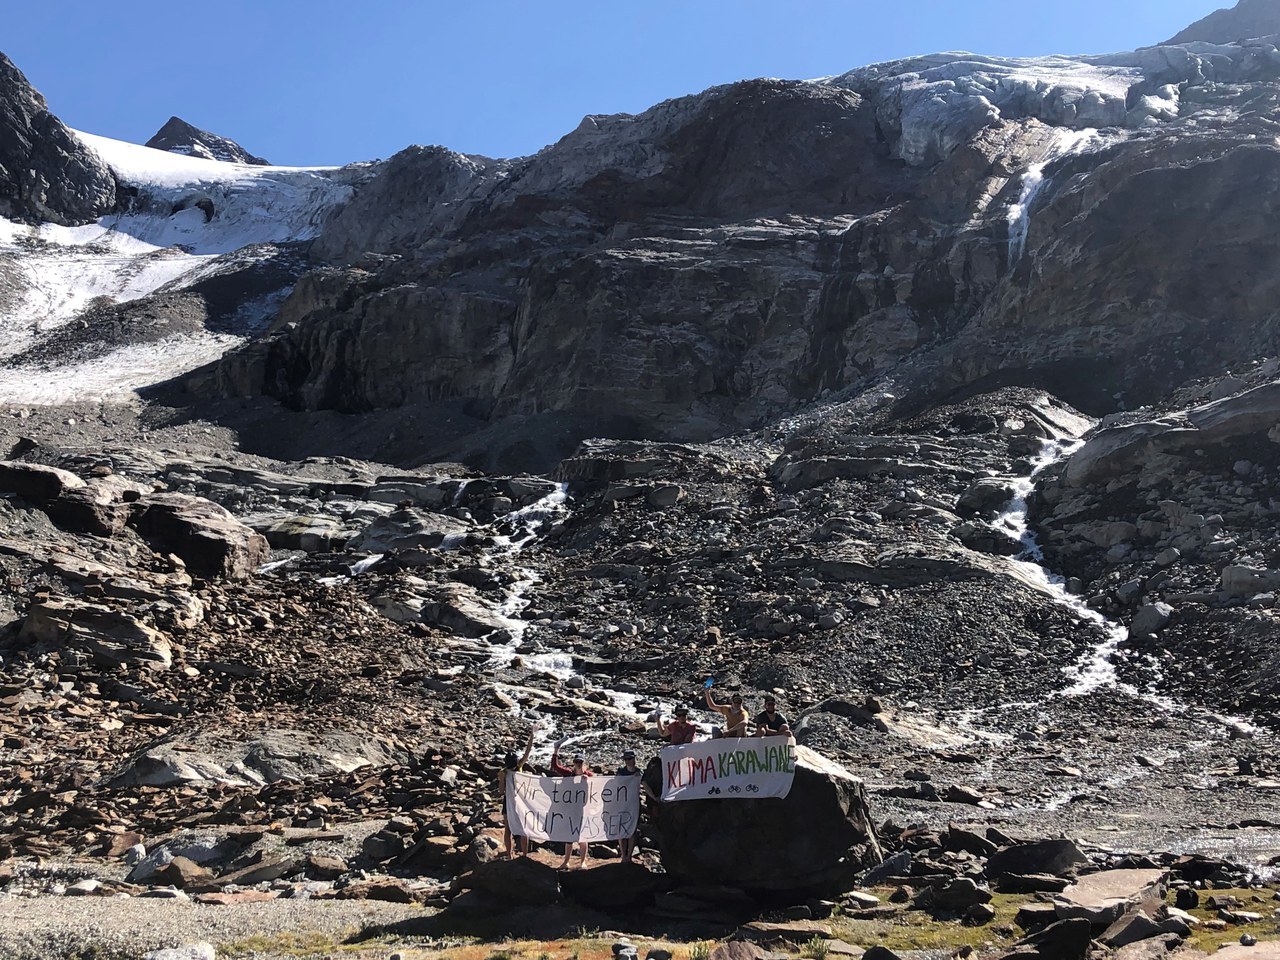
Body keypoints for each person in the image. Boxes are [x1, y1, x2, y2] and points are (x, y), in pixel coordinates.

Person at [550, 739, 593, 870]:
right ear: (574, 763)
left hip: (582, 810)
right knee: (569, 837)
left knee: (582, 837)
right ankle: (566, 862)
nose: (578, 764)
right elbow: (555, 766)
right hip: (569, 809)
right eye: (576, 762)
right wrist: (556, 750)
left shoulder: (588, 775)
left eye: (580, 762)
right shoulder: (568, 774)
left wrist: (589, 781)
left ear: (584, 764)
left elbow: (598, 784)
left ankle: (583, 862)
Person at [497, 729, 534, 858]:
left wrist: (502, 780)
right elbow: (527, 753)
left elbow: (501, 791)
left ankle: (511, 855)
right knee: (522, 828)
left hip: (509, 802)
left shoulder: (504, 772)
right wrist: (532, 736)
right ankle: (522, 855)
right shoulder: (517, 768)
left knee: (510, 829)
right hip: (517, 801)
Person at [614, 748, 642, 863]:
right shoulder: (621, 772)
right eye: (626, 759)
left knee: (632, 831)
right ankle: (623, 855)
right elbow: (615, 784)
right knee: (621, 831)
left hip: (633, 805)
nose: (628, 761)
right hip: (621, 805)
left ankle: (629, 855)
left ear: (634, 759)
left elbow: (645, 785)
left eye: (630, 758)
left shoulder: (640, 772)